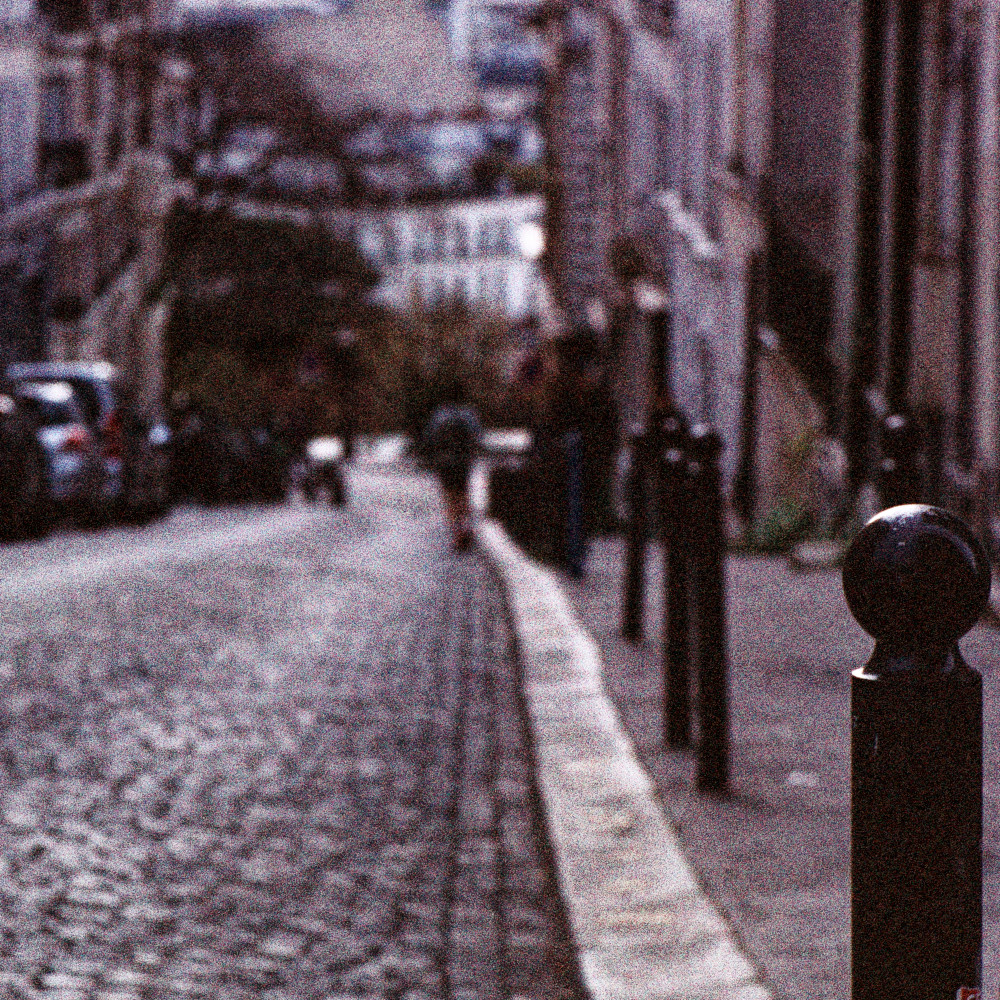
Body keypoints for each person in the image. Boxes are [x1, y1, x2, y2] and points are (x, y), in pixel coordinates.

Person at [425, 381, 481, 550]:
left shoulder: (440, 414)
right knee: (463, 494)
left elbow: (430, 437)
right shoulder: (469, 414)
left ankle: (457, 534)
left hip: (445, 462)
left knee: (450, 498)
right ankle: (466, 527)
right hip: (463, 462)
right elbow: (477, 436)